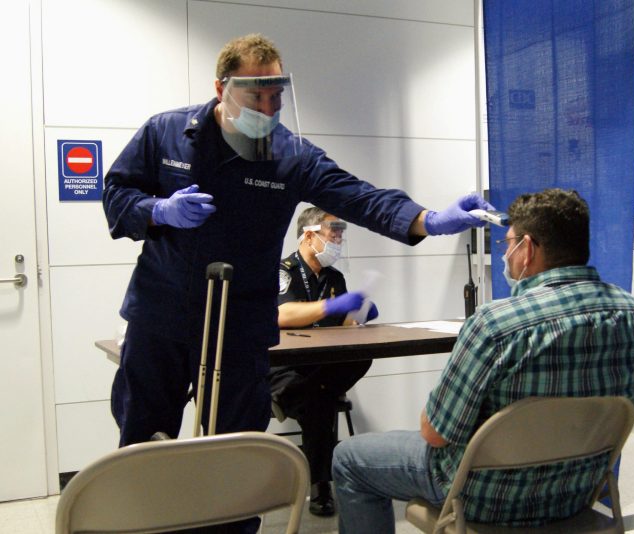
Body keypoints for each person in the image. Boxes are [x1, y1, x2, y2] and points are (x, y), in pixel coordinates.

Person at [103, 33, 490, 450]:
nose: (269, 111)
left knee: (235, 448)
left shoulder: (290, 155)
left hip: (241, 322)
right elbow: (117, 195)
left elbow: (358, 196)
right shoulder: (166, 133)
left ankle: (230, 518)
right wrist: (159, 211)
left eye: (277, 97)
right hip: (163, 312)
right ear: (221, 89)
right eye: (257, 99)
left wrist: (427, 220)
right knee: (143, 438)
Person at [332, 188, 634, 533]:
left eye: (508, 244)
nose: (506, 254)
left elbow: (434, 434)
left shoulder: (496, 325)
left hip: (485, 497)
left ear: (528, 248)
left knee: (349, 457)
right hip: (575, 492)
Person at [270, 206, 376, 517]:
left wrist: (357, 314)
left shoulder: (334, 277)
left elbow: (341, 328)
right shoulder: (282, 270)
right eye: (334, 233)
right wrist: (332, 305)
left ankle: (291, 398)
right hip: (284, 366)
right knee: (319, 401)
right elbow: (282, 315)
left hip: (318, 367)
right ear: (309, 235)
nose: (339, 240)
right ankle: (321, 485)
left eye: (341, 235)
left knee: (359, 357)